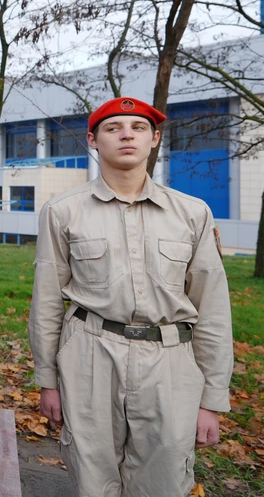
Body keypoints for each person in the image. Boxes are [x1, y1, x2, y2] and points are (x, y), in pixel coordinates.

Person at [28, 97, 234, 497]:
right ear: (93, 139)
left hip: (170, 364)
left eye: (138, 128)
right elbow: (48, 301)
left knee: (166, 480)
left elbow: (212, 308)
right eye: (113, 127)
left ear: (154, 139)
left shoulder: (192, 213)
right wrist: (47, 380)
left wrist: (212, 398)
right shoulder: (62, 211)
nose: (127, 135)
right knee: (92, 478)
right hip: (90, 357)